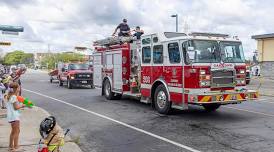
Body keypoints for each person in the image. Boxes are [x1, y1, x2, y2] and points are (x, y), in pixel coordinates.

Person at [5, 82, 24, 151]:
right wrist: (22, 105)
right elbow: (16, 107)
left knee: (16, 131)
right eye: (18, 88)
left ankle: (15, 146)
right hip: (14, 116)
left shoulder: (9, 96)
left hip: (12, 116)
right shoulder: (13, 97)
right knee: (15, 131)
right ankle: (11, 147)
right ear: (16, 89)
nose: (19, 89)